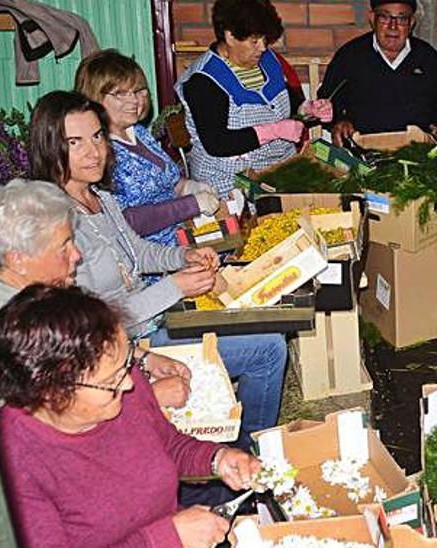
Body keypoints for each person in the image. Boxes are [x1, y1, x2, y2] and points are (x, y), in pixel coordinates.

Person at [26, 91, 286, 449]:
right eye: (75, 142)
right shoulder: (56, 227)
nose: (94, 151)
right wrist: (175, 288)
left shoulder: (101, 198)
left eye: (98, 136)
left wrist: (185, 257)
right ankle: (246, 454)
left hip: (155, 319)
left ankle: (236, 451)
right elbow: (96, 324)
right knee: (269, 349)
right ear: (50, 147)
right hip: (125, 347)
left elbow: (140, 252)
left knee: (261, 319)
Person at [0, 285, 262, 547]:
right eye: (112, 379)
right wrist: (168, 537)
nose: (129, 384)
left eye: (126, 365)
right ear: (51, 393)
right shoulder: (13, 465)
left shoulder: (123, 383)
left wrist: (217, 459)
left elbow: (166, 444)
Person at [0, 178, 197, 412]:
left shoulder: (46, 291)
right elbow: (44, 420)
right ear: (17, 259)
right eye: (64, 247)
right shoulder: (12, 324)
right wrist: (150, 397)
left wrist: (144, 359)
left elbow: (90, 342)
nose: (76, 255)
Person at [176, 0, 333, 197]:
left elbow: (284, 101)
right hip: (228, 181)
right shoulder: (203, 80)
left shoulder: (267, 61)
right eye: (254, 41)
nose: (262, 48)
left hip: (279, 169)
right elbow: (217, 142)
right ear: (230, 36)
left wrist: (307, 109)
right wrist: (274, 130)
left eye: (264, 40)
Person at [75, 49, 220, 247]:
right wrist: (191, 204)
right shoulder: (99, 152)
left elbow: (170, 182)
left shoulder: (139, 133)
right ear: (94, 98)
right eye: (120, 93)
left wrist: (188, 187)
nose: (135, 100)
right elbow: (126, 221)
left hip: (185, 235)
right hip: (154, 256)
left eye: (139, 90)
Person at [322, 0, 437, 146]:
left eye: (401, 19)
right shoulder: (350, 56)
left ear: (411, 22)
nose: (393, 26)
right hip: (363, 152)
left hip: (417, 152)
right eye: (385, 17)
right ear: (372, 18)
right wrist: (339, 122)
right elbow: (327, 101)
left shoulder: (428, 58)